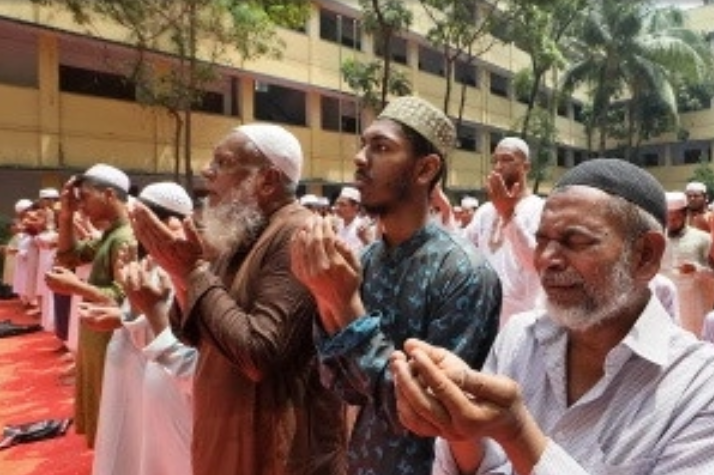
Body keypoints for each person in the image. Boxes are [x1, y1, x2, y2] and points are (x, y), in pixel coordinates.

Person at [390, 158, 714, 475]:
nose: (546, 259)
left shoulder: (698, 387)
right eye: (542, 240)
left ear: (644, 255)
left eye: (576, 241)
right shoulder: (520, 337)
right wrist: (460, 429)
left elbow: (512, 441)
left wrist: (518, 434)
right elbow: (485, 464)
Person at [290, 95, 501, 475]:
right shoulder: (369, 260)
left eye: (381, 147)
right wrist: (324, 300)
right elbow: (345, 387)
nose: (360, 158)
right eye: (364, 145)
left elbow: (427, 412)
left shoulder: (463, 272)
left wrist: (347, 304)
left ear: (425, 169)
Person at [127, 123, 347, 475]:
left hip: (273, 451)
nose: (207, 171)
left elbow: (259, 352)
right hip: (226, 434)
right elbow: (192, 335)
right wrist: (179, 276)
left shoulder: (296, 233)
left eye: (223, 162)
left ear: (267, 180)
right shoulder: (242, 231)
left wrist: (192, 273)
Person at [87, 181, 196, 475]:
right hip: (142, 377)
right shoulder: (150, 262)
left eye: (142, 219)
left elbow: (178, 338)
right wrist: (126, 311)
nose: (135, 227)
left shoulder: (187, 270)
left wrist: (136, 311)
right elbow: (142, 321)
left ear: (171, 223)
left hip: (170, 385)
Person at [46, 163, 135, 448]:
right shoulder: (112, 235)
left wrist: (76, 287)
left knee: (115, 421)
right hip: (98, 340)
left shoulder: (126, 238)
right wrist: (67, 214)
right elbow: (69, 255)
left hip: (112, 341)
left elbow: (126, 299)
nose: (81, 205)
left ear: (109, 194)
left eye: (84, 197)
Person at [464, 137, 544, 326]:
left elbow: (538, 262)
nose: (498, 166)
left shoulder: (540, 209)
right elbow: (461, 248)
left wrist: (508, 215)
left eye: (507, 159)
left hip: (524, 322)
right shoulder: (485, 211)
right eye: (495, 161)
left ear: (526, 167)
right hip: (485, 319)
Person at [662, 191, 714, 336]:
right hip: (665, 302)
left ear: (685, 214)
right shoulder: (657, 240)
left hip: (695, 304)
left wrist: (697, 270)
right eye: (668, 218)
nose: (672, 222)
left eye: (676, 218)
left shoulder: (703, 239)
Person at [334, 186, 374, 253]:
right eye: (337, 204)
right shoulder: (337, 225)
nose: (337, 208)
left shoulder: (362, 227)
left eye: (342, 205)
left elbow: (371, 252)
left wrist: (365, 240)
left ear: (355, 207)